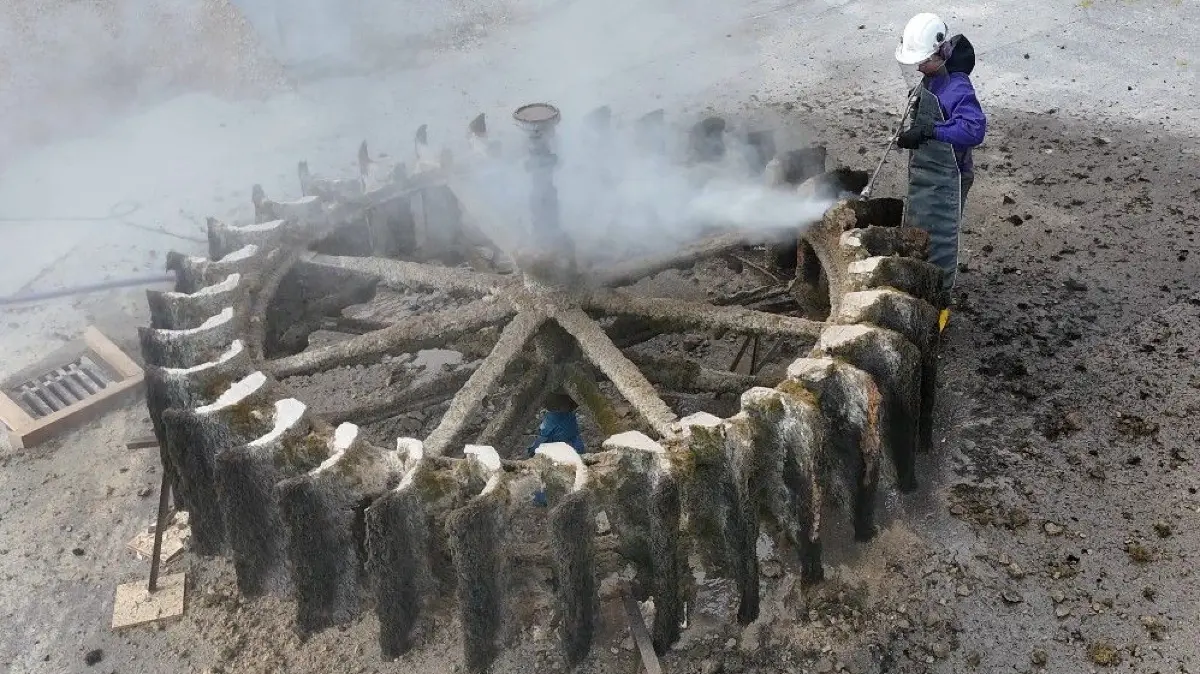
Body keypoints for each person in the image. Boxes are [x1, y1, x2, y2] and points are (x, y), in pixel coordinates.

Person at [894, 12, 987, 331]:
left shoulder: (957, 89)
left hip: (949, 176)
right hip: (926, 176)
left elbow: (974, 130)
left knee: (940, 241)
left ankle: (939, 306)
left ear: (940, 53)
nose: (917, 66)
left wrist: (932, 132)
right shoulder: (931, 79)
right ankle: (917, 288)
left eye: (922, 60)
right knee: (919, 231)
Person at [526, 392, 585, 507]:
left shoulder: (552, 419)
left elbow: (543, 437)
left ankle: (543, 498)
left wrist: (532, 449)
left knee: (545, 474)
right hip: (573, 448)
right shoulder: (570, 417)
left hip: (555, 452)